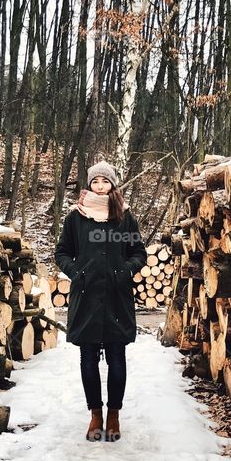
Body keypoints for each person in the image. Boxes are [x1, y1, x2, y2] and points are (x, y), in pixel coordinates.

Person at [54, 161, 147, 442]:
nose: (100, 186)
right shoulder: (76, 217)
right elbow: (62, 252)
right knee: (88, 358)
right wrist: (76, 272)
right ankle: (95, 414)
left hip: (117, 297)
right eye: (96, 181)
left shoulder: (124, 217)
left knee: (117, 358)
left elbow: (138, 252)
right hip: (86, 295)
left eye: (105, 181)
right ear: (89, 184)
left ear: (113, 184)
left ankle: (113, 414)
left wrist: (125, 271)